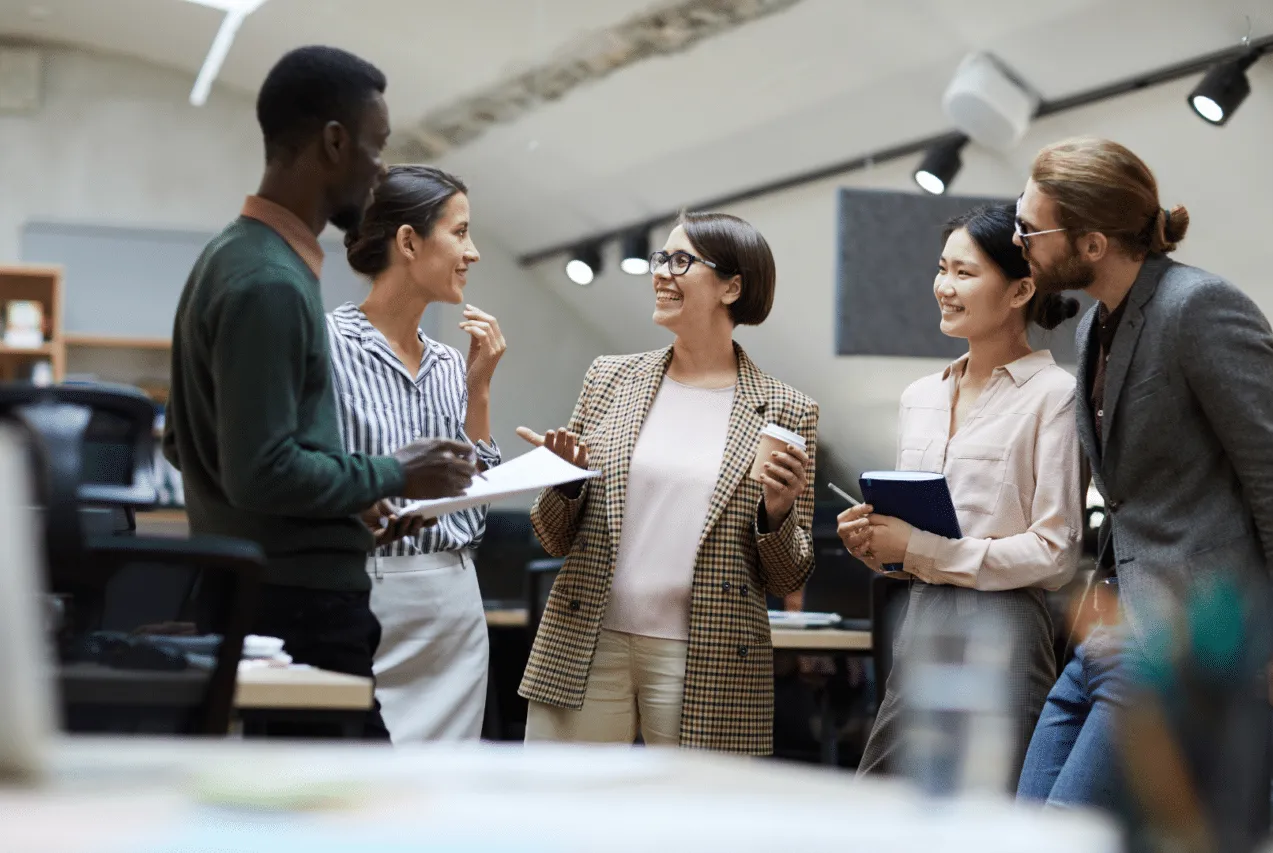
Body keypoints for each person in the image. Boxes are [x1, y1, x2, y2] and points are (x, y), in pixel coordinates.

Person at [163, 47, 476, 740]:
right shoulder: (270, 281)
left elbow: (184, 442)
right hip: (297, 609)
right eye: (377, 146)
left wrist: (346, 503)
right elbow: (262, 467)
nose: (381, 170)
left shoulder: (231, 256)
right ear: (335, 142)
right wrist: (398, 472)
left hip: (263, 593)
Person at [1012, 137, 1273, 842]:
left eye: (1031, 230)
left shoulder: (1201, 307)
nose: (1020, 243)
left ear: (1093, 242)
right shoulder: (1093, 327)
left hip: (1191, 642)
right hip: (1113, 635)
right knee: (1021, 829)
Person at [516, 211, 818, 754]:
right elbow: (552, 536)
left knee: (695, 829)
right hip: (586, 641)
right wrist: (564, 484)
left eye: (682, 261)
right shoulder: (609, 378)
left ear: (733, 286)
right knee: (559, 821)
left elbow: (787, 574)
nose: (661, 273)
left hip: (707, 655)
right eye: (661, 258)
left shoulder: (788, 410)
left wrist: (777, 512)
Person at [839, 203, 1084, 789]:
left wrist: (919, 547)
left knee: (987, 815)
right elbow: (914, 539)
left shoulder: (1056, 395)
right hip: (921, 619)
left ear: (1022, 288)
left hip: (1007, 627)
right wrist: (875, 543)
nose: (944, 287)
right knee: (882, 802)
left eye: (965, 273)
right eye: (942, 268)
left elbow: (1054, 554)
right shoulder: (918, 396)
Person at [329, 165, 505, 742]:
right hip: (363, 599)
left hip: (454, 608)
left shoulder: (453, 364)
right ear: (408, 242)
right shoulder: (325, 347)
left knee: (442, 807)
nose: (472, 252)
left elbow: (472, 517)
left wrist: (478, 392)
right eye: (460, 232)